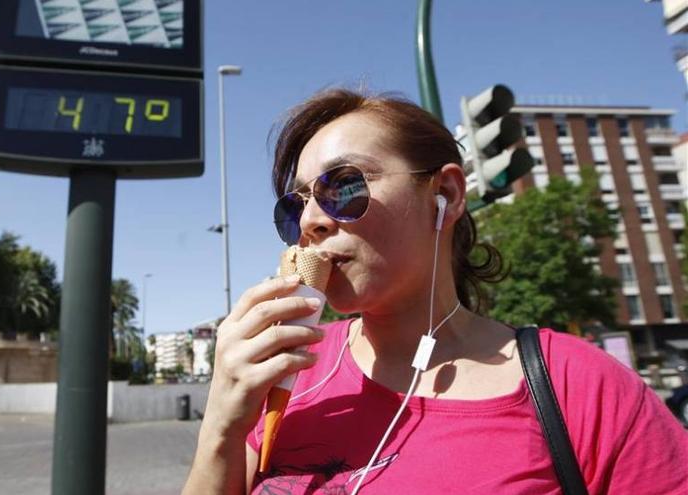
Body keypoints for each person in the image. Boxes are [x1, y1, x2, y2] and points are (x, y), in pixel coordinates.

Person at [182, 89, 688, 494]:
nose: (312, 220)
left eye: (344, 187)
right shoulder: (285, 373)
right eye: (296, 206)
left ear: (444, 194)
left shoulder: (583, 388)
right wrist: (220, 430)